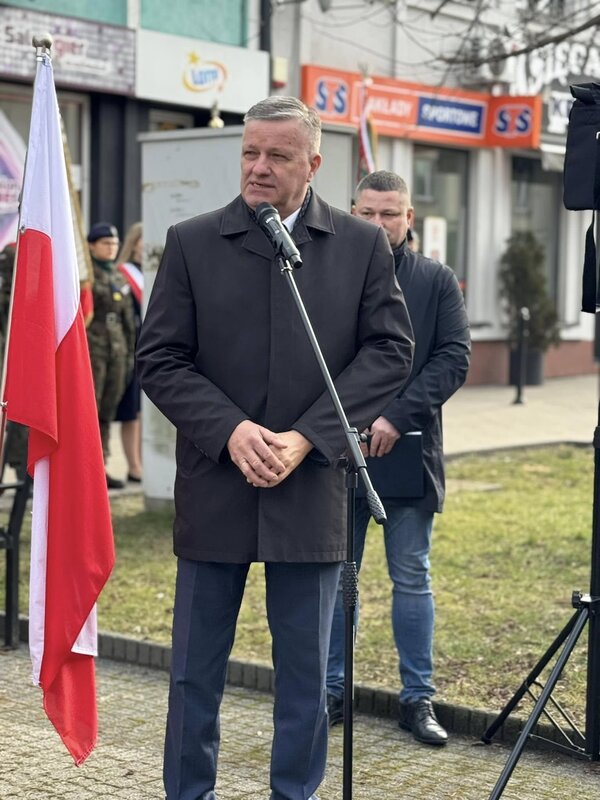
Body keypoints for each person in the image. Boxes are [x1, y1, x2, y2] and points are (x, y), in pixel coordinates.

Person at [136, 97, 414, 800]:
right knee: (194, 673)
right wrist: (230, 430)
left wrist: (306, 437)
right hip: (216, 482)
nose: (258, 168)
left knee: (305, 677)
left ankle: (296, 793)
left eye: (278, 156)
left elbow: (389, 351)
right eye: (250, 153)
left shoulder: (360, 245)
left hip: (310, 484)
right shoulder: (193, 241)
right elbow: (160, 358)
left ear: (313, 163)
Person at [326, 170, 471, 746]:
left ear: (409, 218)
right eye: (368, 212)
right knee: (339, 576)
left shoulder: (435, 280)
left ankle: (418, 698)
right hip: (337, 452)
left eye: (390, 213)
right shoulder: (325, 273)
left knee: (411, 575)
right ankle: (332, 691)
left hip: (407, 453)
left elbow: (453, 358)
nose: (378, 223)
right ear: (352, 213)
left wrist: (394, 418)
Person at [86, 222, 136, 490]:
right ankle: (82, 469)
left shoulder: (118, 276)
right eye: (105, 243)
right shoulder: (86, 276)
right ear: (91, 246)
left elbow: (128, 321)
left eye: (115, 244)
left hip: (116, 353)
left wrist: (129, 356)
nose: (111, 248)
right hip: (92, 352)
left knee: (106, 412)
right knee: (88, 412)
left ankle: (99, 467)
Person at [115, 222, 144, 482]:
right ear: (134, 243)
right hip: (130, 351)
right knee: (131, 412)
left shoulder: (153, 271)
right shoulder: (123, 274)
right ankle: (134, 466)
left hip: (151, 348)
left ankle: (142, 464)